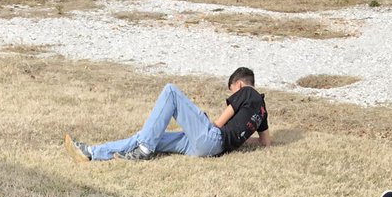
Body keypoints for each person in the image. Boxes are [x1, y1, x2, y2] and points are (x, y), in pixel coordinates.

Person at [64, 68, 270, 163]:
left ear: (239, 84)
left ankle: (145, 149)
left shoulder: (246, 92)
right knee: (149, 135)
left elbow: (219, 123)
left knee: (170, 91)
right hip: (213, 150)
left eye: (232, 90)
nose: (232, 94)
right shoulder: (262, 110)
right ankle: (92, 153)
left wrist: (205, 122)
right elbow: (265, 142)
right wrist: (239, 138)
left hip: (212, 139)